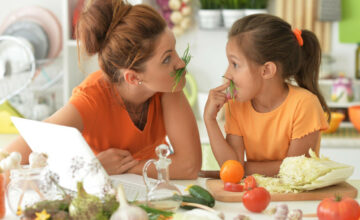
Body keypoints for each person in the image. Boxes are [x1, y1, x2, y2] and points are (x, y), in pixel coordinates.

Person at [5, 0, 201, 179]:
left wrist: (128, 167)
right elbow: (9, 158)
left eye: (174, 49)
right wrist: (93, 166)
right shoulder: (90, 99)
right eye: (166, 59)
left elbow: (189, 166)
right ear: (133, 77)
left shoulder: (168, 86)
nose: (180, 63)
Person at [204, 14, 329, 177]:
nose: (227, 74)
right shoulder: (236, 105)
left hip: (297, 199)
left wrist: (243, 169)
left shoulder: (305, 104)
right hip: (255, 194)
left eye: (235, 64)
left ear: (267, 70)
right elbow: (231, 166)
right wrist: (210, 120)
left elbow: (294, 169)